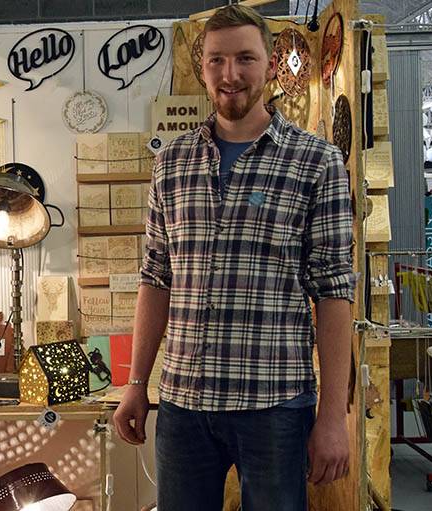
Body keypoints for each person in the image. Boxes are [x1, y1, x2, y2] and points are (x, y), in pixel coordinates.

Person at [112, 5, 355, 511]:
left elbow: (334, 294)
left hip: (275, 406)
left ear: (269, 65)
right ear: (202, 67)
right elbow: (156, 278)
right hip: (183, 405)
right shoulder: (171, 164)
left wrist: (334, 415)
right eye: (217, 60)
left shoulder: (318, 162)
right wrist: (136, 384)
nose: (231, 75)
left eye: (245, 58)